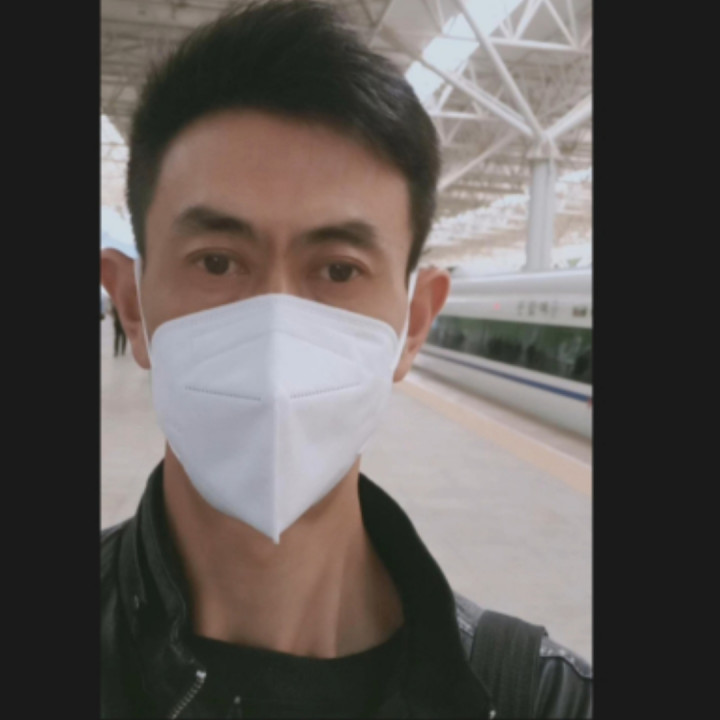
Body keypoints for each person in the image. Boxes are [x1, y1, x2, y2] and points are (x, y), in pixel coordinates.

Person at [100, 2, 592, 717]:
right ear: (132, 306)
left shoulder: (546, 702)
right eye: (217, 261)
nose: (275, 336)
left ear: (413, 325)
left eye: (338, 270)